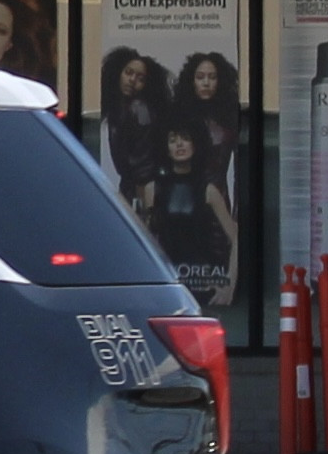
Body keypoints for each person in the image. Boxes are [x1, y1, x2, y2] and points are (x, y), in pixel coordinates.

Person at [141, 113, 239, 307]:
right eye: (172, 140)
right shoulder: (153, 189)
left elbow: (236, 236)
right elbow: (144, 241)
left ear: (196, 144)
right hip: (168, 287)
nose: (179, 145)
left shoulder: (208, 190)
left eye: (185, 139)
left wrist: (229, 286)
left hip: (203, 287)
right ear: (165, 148)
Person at [102, 46, 165, 201]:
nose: (132, 80)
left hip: (142, 189)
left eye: (140, 78)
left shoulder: (139, 109)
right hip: (131, 186)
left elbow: (144, 162)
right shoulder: (118, 108)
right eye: (129, 73)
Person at [178, 50, 243, 191]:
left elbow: (241, 174)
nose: (206, 83)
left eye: (212, 77)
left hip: (219, 198)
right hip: (185, 197)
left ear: (220, 81)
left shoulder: (228, 120)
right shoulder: (178, 117)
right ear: (191, 81)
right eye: (200, 77)